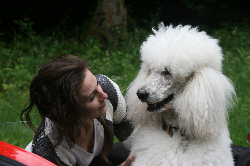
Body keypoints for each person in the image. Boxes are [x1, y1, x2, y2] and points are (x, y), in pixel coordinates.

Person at [20, 54, 134, 166]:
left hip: (98, 159)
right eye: (92, 97)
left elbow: (133, 139)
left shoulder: (108, 90)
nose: (104, 95)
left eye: (97, 84)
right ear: (70, 112)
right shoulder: (48, 151)